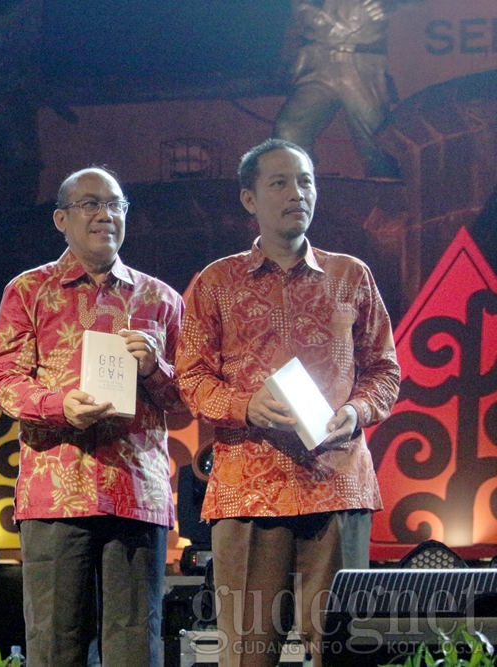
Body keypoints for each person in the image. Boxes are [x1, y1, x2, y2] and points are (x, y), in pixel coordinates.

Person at [176, 139, 400, 667]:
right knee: (250, 654)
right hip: (249, 490)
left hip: (337, 482)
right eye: (279, 182)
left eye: (305, 181)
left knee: (340, 649)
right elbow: (190, 377)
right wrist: (245, 407)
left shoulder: (351, 275)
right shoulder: (216, 282)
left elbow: (384, 371)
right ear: (249, 199)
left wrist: (357, 411)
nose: (297, 193)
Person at [0, 167, 185, 667]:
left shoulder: (160, 299)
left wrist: (154, 368)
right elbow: (4, 379)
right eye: (91, 204)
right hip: (56, 490)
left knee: (134, 644)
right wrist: (60, 407)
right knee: (55, 644)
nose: (106, 215)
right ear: (61, 218)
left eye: (116, 205)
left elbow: (189, 396)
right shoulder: (28, 291)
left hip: (135, 489)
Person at [273, 0, 417, 178]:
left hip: (361, 64)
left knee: (375, 140)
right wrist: (307, 11)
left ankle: (389, 195)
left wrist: (389, 3)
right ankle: (297, 191)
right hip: (319, 62)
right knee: (289, 129)